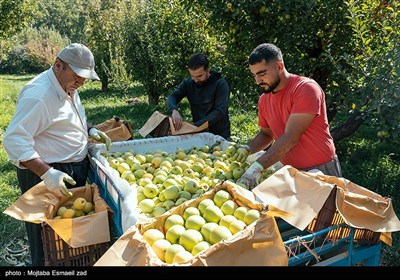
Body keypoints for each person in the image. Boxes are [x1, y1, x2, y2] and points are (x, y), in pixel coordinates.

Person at [3, 43, 111, 266]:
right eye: (78, 76)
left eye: (85, 77)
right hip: (46, 173)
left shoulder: (67, 85)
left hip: (68, 170)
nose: (81, 82)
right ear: (58, 65)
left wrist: (89, 129)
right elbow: (14, 140)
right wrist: (47, 173)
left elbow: (69, 117)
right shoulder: (40, 96)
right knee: (46, 239)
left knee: (69, 234)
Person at [236, 43, 342, 189]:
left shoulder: (305, 89)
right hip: (289, 171)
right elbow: (267, 135)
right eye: (254, 75)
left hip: (320, 170)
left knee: (326, 212)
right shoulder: (264, 100)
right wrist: (248, 148)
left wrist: (258, 166)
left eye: (262, 74)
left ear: (279, 67)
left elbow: (291, 137)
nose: (257, 81)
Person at [166, 53, 231, 140]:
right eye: (192, 76)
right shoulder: (188, 83)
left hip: (219, 134)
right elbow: (172, 97)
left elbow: (219, 112)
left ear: (208, 70)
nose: (196, 80)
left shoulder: (220, 84)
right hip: (198, 134)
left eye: (199, 76)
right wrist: (174, 110)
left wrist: (195, 126)